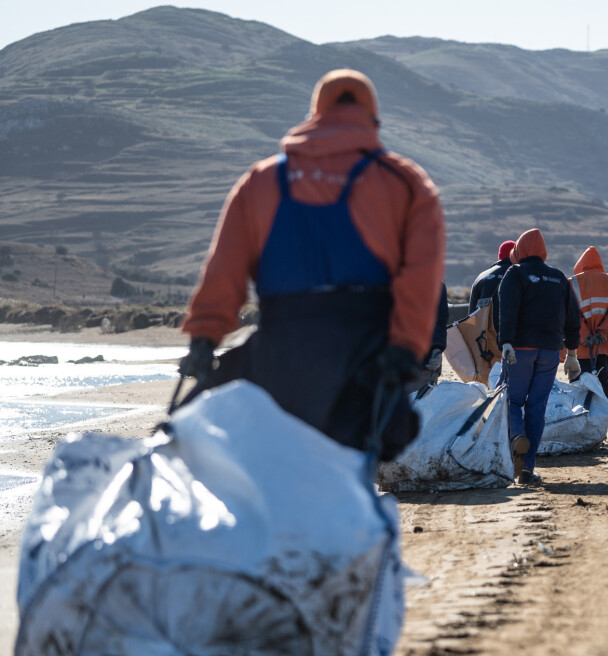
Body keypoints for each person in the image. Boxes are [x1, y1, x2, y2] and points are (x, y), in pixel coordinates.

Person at [179, 68, 446, 463]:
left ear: (314, 114)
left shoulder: (262, 180)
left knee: (243, 457)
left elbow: (225, 268)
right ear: (373, 119)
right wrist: (405, 348)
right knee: (348, 472)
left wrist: (204, 339)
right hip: (363, 355)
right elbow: (422, 278)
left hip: (279, 351)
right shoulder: (404, 182)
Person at [497, 229, 581, 486]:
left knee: (511, 399)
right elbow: (573, 319)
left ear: (519, 251)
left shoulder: (515, 273)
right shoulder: (559, 278)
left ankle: (516, 437)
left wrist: (506, 342)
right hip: (550, 352)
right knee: (537, 406)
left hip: (520, 350)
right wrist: (573, 354)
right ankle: (527, 470)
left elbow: (507, 310)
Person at [567, 246, 608, 410]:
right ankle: (604, 419)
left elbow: (571, 315)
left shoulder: (572, 283)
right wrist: (603, 333)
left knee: (579, 384)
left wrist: (584, 335)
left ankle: (581, 419)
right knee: (604, 380)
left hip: (582, 346)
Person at [468, 240, 515, 311]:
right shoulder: (520, 275)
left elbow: (471, 312)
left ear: (500, 255)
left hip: (483, 321)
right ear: (516, 255)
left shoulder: (482, 276)